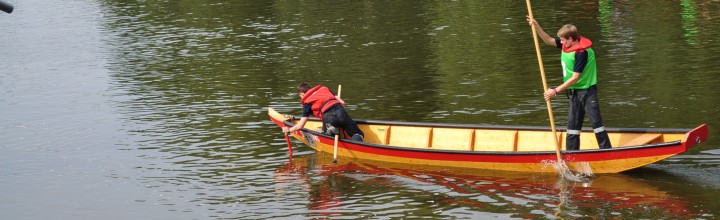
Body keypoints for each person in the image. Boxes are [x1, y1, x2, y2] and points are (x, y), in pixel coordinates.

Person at [526, 17, 612, 150]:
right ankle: (572, 154)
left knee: (597, 124)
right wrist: (536, 26)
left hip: (588, 92)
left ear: (571, 39)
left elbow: (574, 78)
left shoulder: (581, 53)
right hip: (575, 93)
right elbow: (548, 40)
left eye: (563, 40)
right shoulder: (566, 45)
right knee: (572, 128)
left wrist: (554, 91)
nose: (561, 42)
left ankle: (607, 151)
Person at [282, 82, 364, 142]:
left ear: (302, 94)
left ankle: (331, 131)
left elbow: (300, 126)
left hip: (328, 118)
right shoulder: (324, 89)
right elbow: (343, 103)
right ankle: (358, 145)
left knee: (325, 132)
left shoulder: (307, 103)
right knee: (357, 134)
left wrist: (288, 130)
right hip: (341, 112)